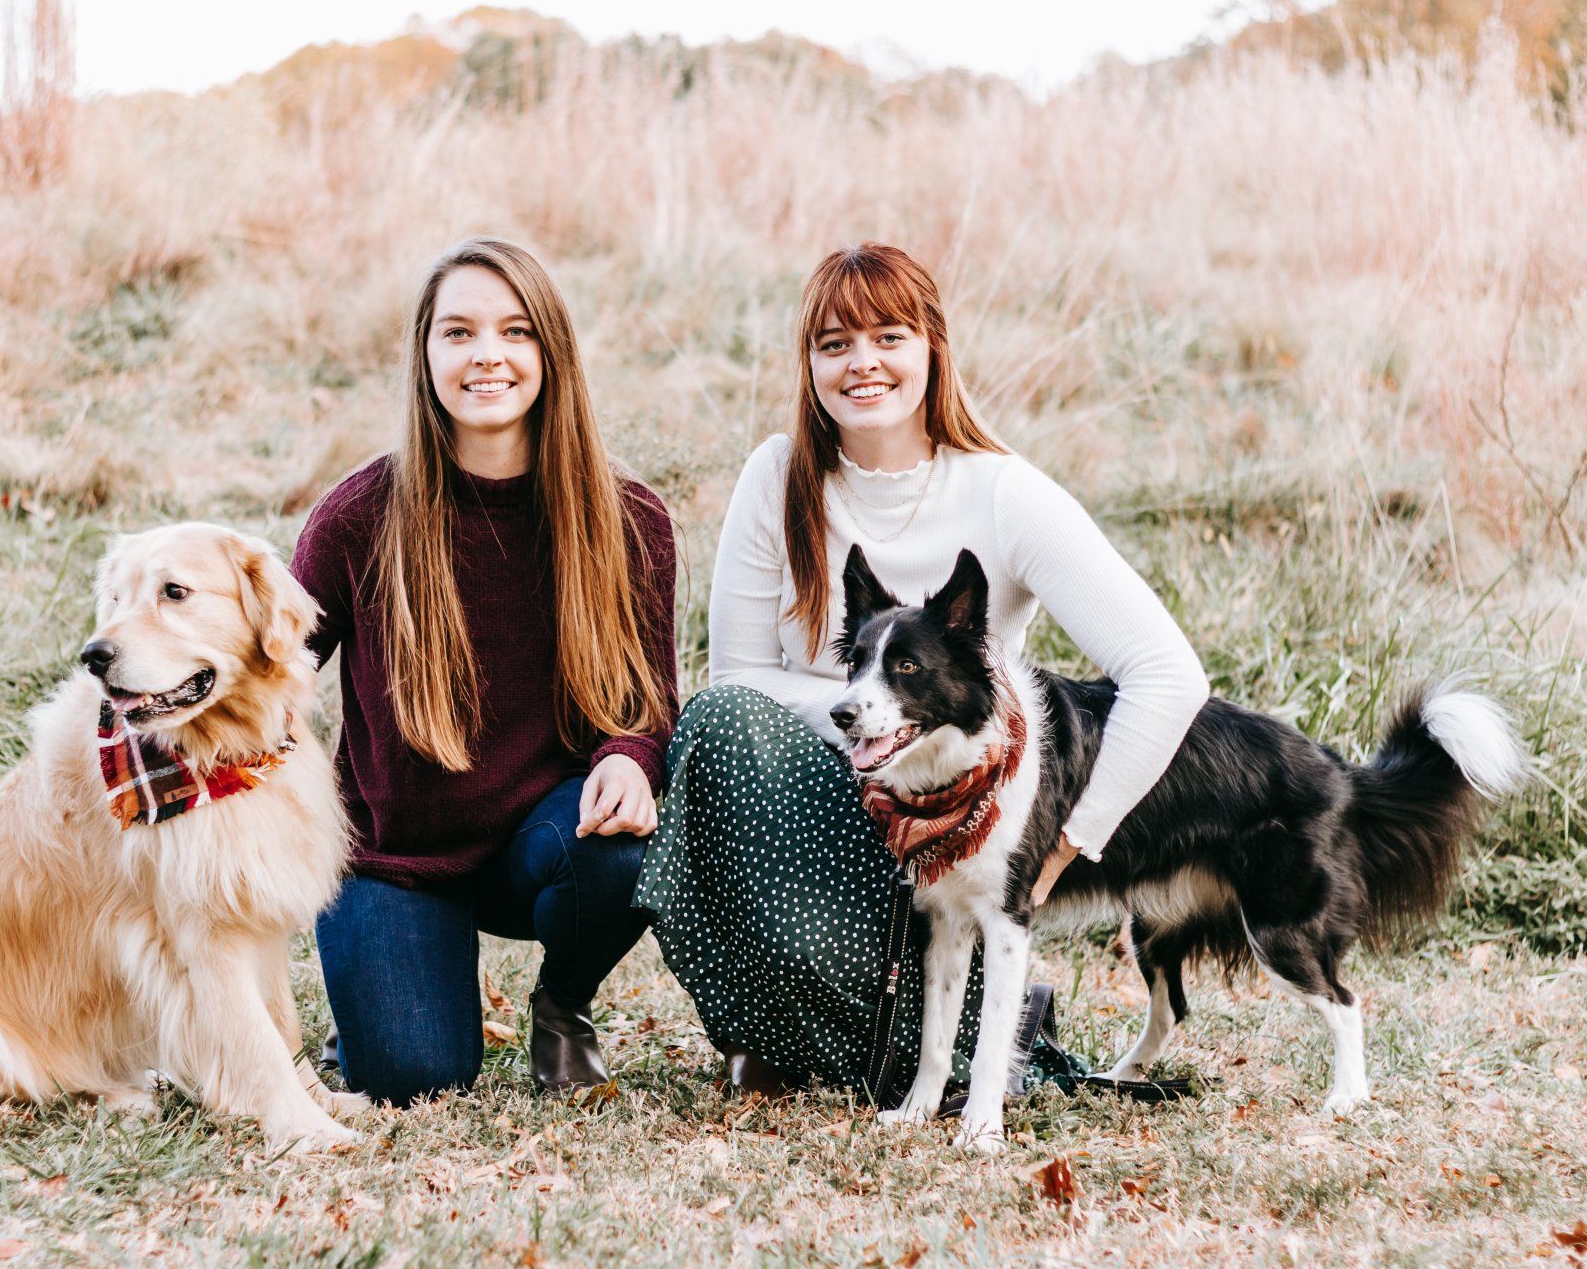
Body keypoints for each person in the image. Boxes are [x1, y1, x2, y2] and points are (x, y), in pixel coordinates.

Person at [635, 243, 1208, 1102]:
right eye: (835, 344)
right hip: (815, 808)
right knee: (714, 737)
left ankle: (969, 1024)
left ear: (932, 346)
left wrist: (1067, 845)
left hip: (959, 830)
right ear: (811, 366)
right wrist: (873, 712)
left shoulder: (1004, 494)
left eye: (889, 336)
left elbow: (1168, 673)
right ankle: (773, 1030)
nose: (862, 363)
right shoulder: (777, 477)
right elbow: (735, 686)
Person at [291, 239, 678, 1106]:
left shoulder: (630, 519)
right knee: (416, 1079)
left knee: (627, 854)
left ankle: (563, 1004)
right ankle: (374, 1002)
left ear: (552, 352)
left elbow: (650, 702)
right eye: (458, 332)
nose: (487, 357)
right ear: (426, 355)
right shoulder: (359, 518)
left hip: (543, 841)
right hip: (393, 854)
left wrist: (628, 755)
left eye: (515, 332)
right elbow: (274, 670)